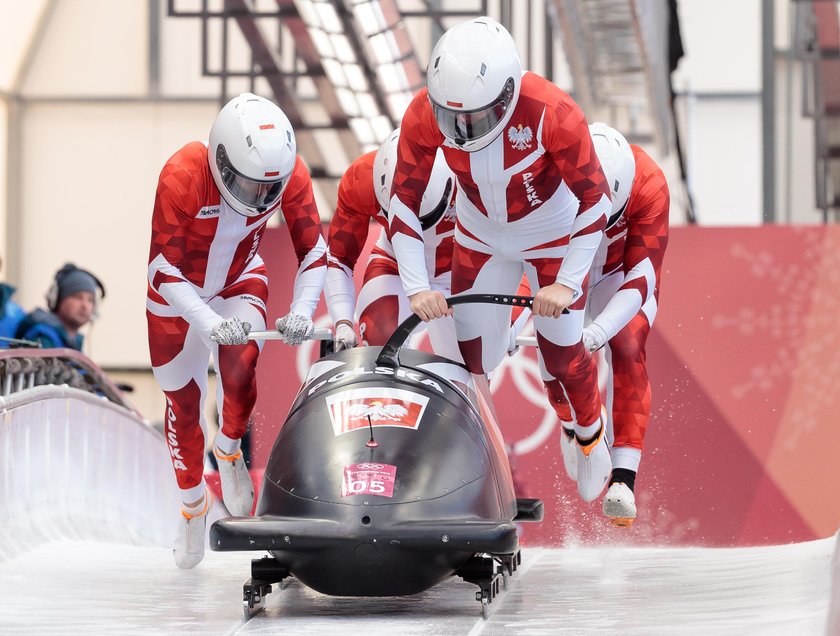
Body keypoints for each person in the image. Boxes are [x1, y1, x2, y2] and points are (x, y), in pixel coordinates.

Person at [388, 17, 613, 503]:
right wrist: (416, 286)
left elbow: (596, 200)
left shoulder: (554, 111)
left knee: (561, 353)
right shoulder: (422, 115)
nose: (464, 131)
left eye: (477, 117)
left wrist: (568, 284)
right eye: (452, 119)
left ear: (510, 95)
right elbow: (402, 201)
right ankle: (478, 469)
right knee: (474, 362)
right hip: (480, 234)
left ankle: (589, 432)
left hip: (551, 232)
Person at [147, 93, 327, 568]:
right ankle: (192, 506)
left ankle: (228, 448)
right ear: (220, 160)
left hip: (240, 277)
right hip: (175, 294)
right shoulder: (183, 174)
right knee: (182, 405)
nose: (257, 202)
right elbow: (162, 271)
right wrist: (207, 323)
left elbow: (314, 251)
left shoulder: (291, 174)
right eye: (246, 187)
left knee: (243, 364)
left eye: (269, 191)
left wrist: (305, 309)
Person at [557, 123, 670, 525]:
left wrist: (599, 331)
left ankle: (623, 478)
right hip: (565, 267)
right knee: (554, 342)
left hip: (620, 275)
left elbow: (641, 280)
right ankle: (575, 426)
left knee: (626, 345)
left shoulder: (650, 184)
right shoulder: (554, 164)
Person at [325, 127, 464, 358]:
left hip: (460, 273)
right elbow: (340, 257)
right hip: (394, 264)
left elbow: (511, 247)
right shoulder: (361, 179)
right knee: (380, 341)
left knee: (473, 362)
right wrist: (342, 322)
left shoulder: (469, 177)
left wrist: (506, 323)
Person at [16, 263, 104, 350]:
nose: (85, 305)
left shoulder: (74, 342)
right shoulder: (44, 339)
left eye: (90, 300)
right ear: (57, 300)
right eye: (77, 297)